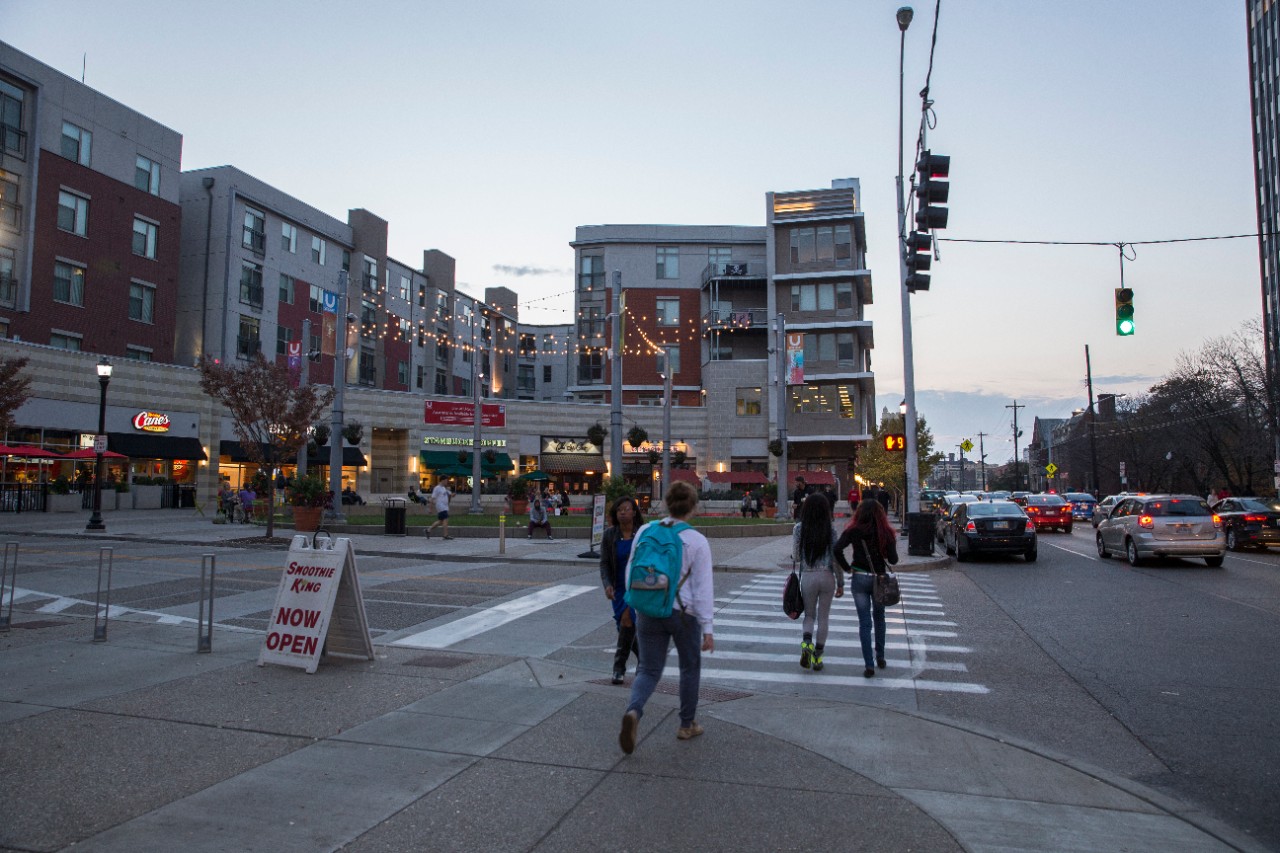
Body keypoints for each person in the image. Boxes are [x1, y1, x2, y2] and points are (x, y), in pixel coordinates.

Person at [619, 480, 714, 754]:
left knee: (648, 669)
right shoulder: (697, 541)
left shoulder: (646, 530)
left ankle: (634, 711)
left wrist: (634, 605)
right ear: (693, 507)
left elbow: (631, 570)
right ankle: (687, 724)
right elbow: (703, 588)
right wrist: (708, 628)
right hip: (684, 613)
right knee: (689, 667)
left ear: (665, 504)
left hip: (648, 607)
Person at [834, 499, 900, 678]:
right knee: (879, 618)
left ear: (860, 513)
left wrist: (847, 568)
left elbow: (837, 549)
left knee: (864, 622)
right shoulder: (886, 532)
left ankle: (869, 664)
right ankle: (881, 656)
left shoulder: (853, 530)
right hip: (879, 579)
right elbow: (893, 560)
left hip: (860, 578)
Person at [793, 493, 843, 672]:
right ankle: (818, 657)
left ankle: (807, 644)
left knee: (809, 615)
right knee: (823, 617)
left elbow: (797, 556)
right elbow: (836, 559)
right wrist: (841, 582)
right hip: (827, 576)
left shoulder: (799, 529)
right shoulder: (831, 530)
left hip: (808, 575)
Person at [599, 496, 645, 684]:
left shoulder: (641, 534)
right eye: (619, 510)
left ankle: (619, 668)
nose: (623, 512)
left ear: (634, 512)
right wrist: (607, 584)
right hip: (618, 588)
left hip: (637, 587)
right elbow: (604, 563)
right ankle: (645, 661)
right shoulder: (610, 535)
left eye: (627, 509)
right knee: (624, 626)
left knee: (627, 623)